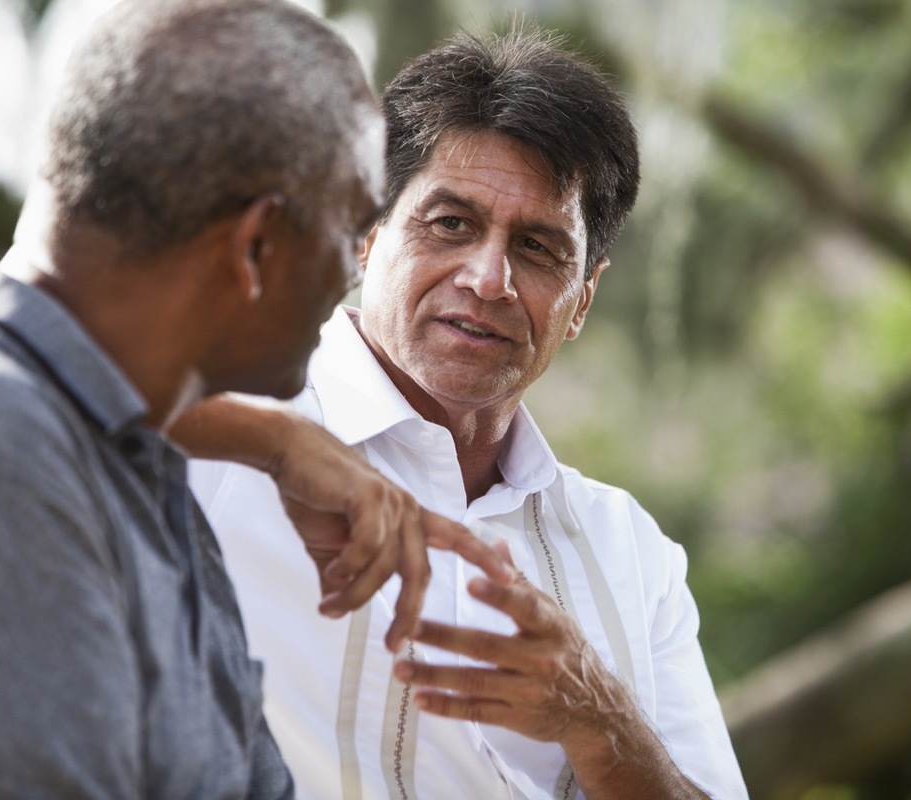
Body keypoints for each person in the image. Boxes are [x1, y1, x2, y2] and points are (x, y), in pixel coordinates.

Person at [0, 1, 509, 796]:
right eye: (350, 228)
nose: (351, 275)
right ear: (257, 247)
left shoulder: (128, 461)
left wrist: (272, 439)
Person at [183, 25, 749, 800]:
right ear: (365, 234)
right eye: (450, 224)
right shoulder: (211, 434)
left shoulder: (631, 553)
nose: (490, 280)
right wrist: (273, 441)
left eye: (540, 248)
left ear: (581, 302)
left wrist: (601, 723)